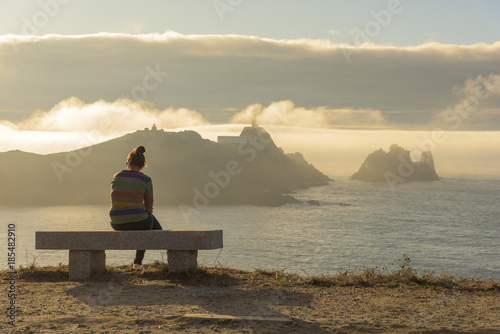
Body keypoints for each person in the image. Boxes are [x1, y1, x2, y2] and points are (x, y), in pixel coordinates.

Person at [109, 145, 162, 269]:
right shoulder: (146, 180)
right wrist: (145, 210)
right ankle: (138, 262)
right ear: (143, 165)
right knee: (150, 219)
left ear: (128, 162)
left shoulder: (117, 176)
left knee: (149, 220)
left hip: (116, 222)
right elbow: (149, 206)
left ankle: (165, 243)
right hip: (138, 223)